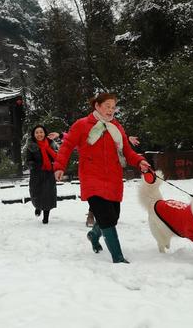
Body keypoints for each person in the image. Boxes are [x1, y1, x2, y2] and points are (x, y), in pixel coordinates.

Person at [54, 93, 150, 263]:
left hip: (113, 178)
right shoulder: (82, 125)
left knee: (113, 217)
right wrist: (60, 166)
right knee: (106, 216)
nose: (111, 110)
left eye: (113, 107)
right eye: (107, 106)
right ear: (97, 106)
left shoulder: (117, 128)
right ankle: (117, 257)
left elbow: (127, 151)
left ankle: (93, 235)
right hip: (91, 177)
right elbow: (67, 145)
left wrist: (140, 161)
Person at [25, 125, 59, 224]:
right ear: (34, 134)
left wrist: (54, 165)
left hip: (49, 172)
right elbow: (28, 161)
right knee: (36, 193)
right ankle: (38, 207)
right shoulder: (31, 146)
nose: (39, 134)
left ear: (44, 133)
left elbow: (57, 157)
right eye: (37, 132)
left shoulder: (51, 144)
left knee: (48, 194)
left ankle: (46, 216)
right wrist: (34, 165)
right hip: (36, 173)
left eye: (41, 132)